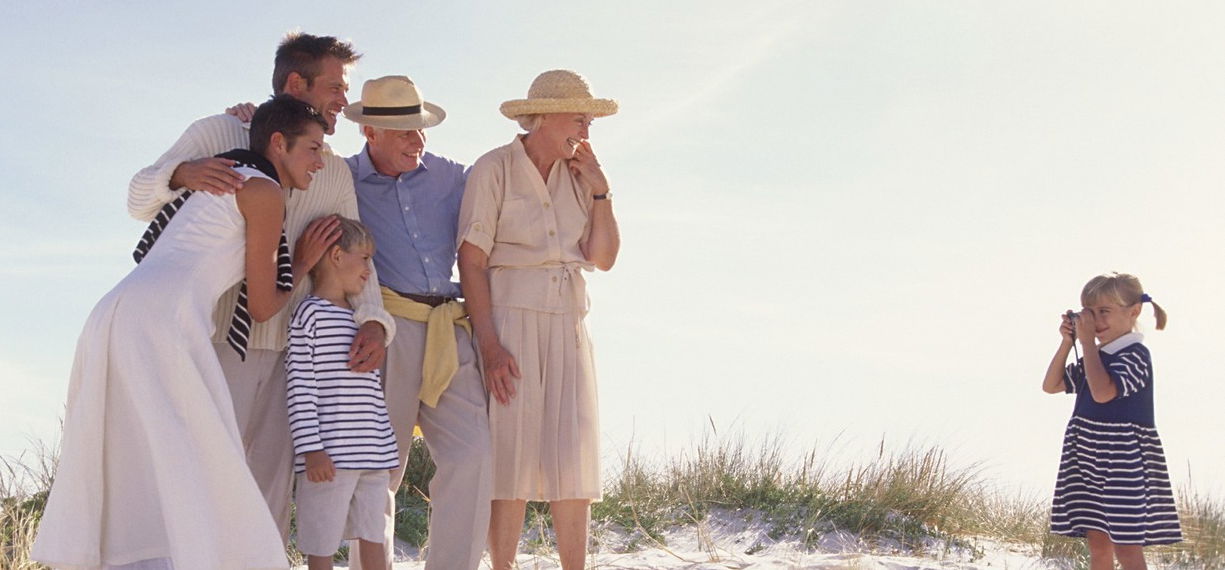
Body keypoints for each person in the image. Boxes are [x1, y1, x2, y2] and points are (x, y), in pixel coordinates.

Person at [33, 95, 330, 570]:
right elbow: (262, 305)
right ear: (279, 142)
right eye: (313, 148)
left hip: (114, 310)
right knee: (204, 455)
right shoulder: (264, 192)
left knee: (132, 453)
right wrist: (305, 264)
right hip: (162, 320)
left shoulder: (225, 175)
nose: (320, 161)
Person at [127, 32, 394, 543]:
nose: (344, 100)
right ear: (296, 83)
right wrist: (181, 172)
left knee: (267, 497)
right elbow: (138, 196)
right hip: (216, 342)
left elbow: (357, 251)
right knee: (197, 478)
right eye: (335, 86)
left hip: (294, 352)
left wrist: (375, 323)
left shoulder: (332, 169)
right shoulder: (220, 130)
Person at [457, 69, 621, 570]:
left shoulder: (581, 175)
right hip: (508, 316)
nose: (587, 131)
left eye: (590, 121)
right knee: (509, 451)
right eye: (579, 118)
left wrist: (601, 192)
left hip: (569, 316)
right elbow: (471, 259)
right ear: (545, 117)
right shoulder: (494, 168)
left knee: (573, 448)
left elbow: (604, 257)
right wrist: (489, 344)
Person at [341, 75, 491, 570]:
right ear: (370, 133)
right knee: (379, 470)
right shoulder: (341, 179)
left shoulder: (452, 176)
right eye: (404, 131)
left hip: (451, 331)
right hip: (384, 329)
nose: (417, 139)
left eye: (420, 128)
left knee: (474, 457)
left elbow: (503, 193)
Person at [1041, 272, 1183, 570]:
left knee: (1126, 546)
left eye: (1104, 312)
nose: (1095, 321)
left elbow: (1104, 392)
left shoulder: (1135, 355)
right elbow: (1051, 385)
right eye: (1089, 313)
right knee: (1098, 543)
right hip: (1086, 456)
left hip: (1122, 461)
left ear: (1134, 312)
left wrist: (1088, 345)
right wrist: (1069, 342)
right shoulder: (1097, 356)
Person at [286, 216, 399, 570]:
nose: (369, 269)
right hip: (329, 458)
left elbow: (370, 392)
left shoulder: (361, 319)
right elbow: (300, 387)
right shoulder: (309, 315)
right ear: (336, 256)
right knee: (321, 541)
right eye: (364, 258)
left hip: (372, 455)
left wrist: (386, 443)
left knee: (374, 535)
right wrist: (311, 450)